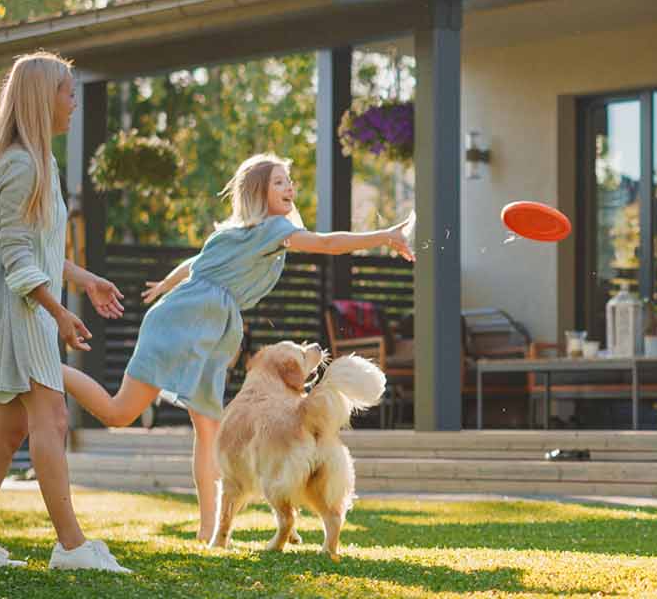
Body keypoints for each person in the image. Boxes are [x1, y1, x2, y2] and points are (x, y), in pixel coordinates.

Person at [61, 153, 414, 544]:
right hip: (182, 325)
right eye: (279, 181)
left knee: (209, 432)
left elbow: (196, 263)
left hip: (205, 331)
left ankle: (210, 531)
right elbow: (328, 243)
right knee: (119, 413)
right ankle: (52, 370)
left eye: (289, 181)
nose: (289, 188)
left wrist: (166, 284)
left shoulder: (242, 233)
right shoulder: (270, 229)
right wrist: (386, 235)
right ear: (258, 191)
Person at [0, 52, 131, 572]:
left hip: (28, 311)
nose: (74, 101)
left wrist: (84, 279)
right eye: (67, 91)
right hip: (20, 314)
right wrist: (59, 313)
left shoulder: (39, 162)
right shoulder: (21, 165)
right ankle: (72, 546)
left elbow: (41, 251)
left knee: (8, 430)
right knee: (50, 417)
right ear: (40, 98)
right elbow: (17, 259)